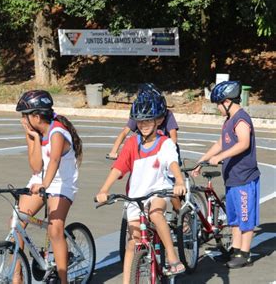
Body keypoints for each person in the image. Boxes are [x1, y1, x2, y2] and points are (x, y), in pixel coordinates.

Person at [96, 92, 186, 284]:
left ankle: (172, 257)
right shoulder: (131, 143)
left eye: (148, 121)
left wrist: (179, 181)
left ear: (159, 120)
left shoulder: (165, 143)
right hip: (136, 196)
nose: (143, 125)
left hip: (158, 190)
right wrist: (103, 190)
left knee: (155, 213)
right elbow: (119, 167)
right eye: (139, 121)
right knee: (132, 243)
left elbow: (172, 163)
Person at [14, 90, 83, 283]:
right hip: (40, 181)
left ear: (36, 116)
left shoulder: (58, 131)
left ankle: (63, 279)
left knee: (55, 230)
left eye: (24, 115)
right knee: (17, 222)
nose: (22, 119)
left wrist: (45, 185)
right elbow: (37, 166)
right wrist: (32, 138)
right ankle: (16, 275)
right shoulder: (36, 132)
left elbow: (54, 161)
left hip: (61, 185)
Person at [192, 80, 260, 269]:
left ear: (228, 101)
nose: (218, 109)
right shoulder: (229, 120)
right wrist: (203, 160)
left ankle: (244, 254)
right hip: (232, 178)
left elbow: (244, 143)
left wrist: (220, 157)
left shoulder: (241, 119)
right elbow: (221, 143)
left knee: (246, 218)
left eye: (218, 105)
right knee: (235, 218)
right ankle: (235, 250)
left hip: (245, 177)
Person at [108, 83, 182, 213]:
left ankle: (180, 213)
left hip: (164, 153)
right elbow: (124, 132)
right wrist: (114, 151)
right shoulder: (139, 113)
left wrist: (168, 150)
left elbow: (173, 137)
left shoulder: (167, 114)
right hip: (144, 152)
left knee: (170, 184)